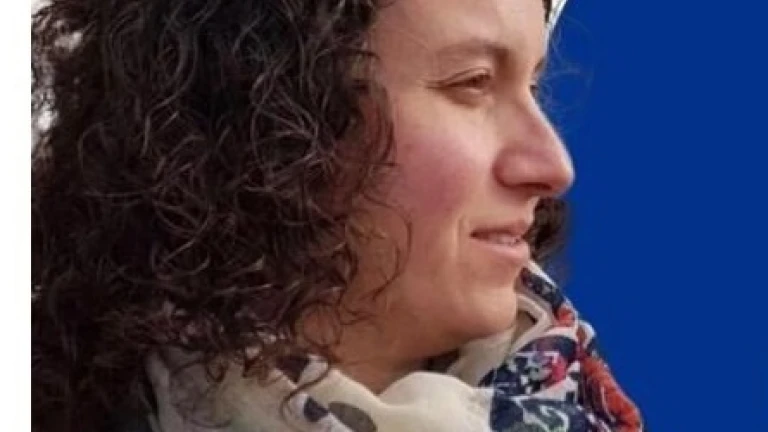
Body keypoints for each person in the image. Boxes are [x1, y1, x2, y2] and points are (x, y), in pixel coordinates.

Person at [31, 0, 644, 431]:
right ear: (266, 119)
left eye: (533, 87)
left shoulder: (578, 405)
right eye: (472, 83)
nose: (553, 165)